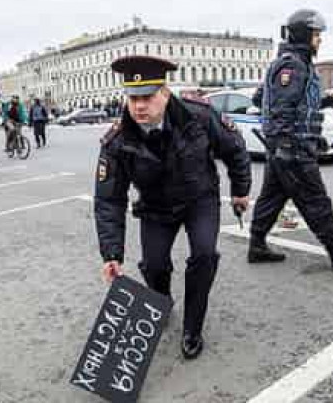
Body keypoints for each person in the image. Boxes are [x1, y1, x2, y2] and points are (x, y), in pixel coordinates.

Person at [95, 55, 251, 359]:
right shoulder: (117, 140)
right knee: (153, 265)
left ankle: (193, 327)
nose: (139, 106)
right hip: (155, 206)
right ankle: (163, 303)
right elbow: (108, 199)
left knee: (204, 255)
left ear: (165, 94)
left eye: (147, 97)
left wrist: (240, 191)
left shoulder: (199, 116)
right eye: (133, 98)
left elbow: (234, 149)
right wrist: (111, 254)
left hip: (199, 198)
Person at [248, 9, 333, 272]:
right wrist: (285, 144)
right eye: (316, 34)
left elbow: (262, 99)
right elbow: (281, 107)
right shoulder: (294, 64)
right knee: (316, 200)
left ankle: (257, 245)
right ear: (304, 35)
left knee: (271, 198)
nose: (320, 40)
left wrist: (323, 100)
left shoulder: (289, 62)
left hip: (284, 148)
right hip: (293, 149)